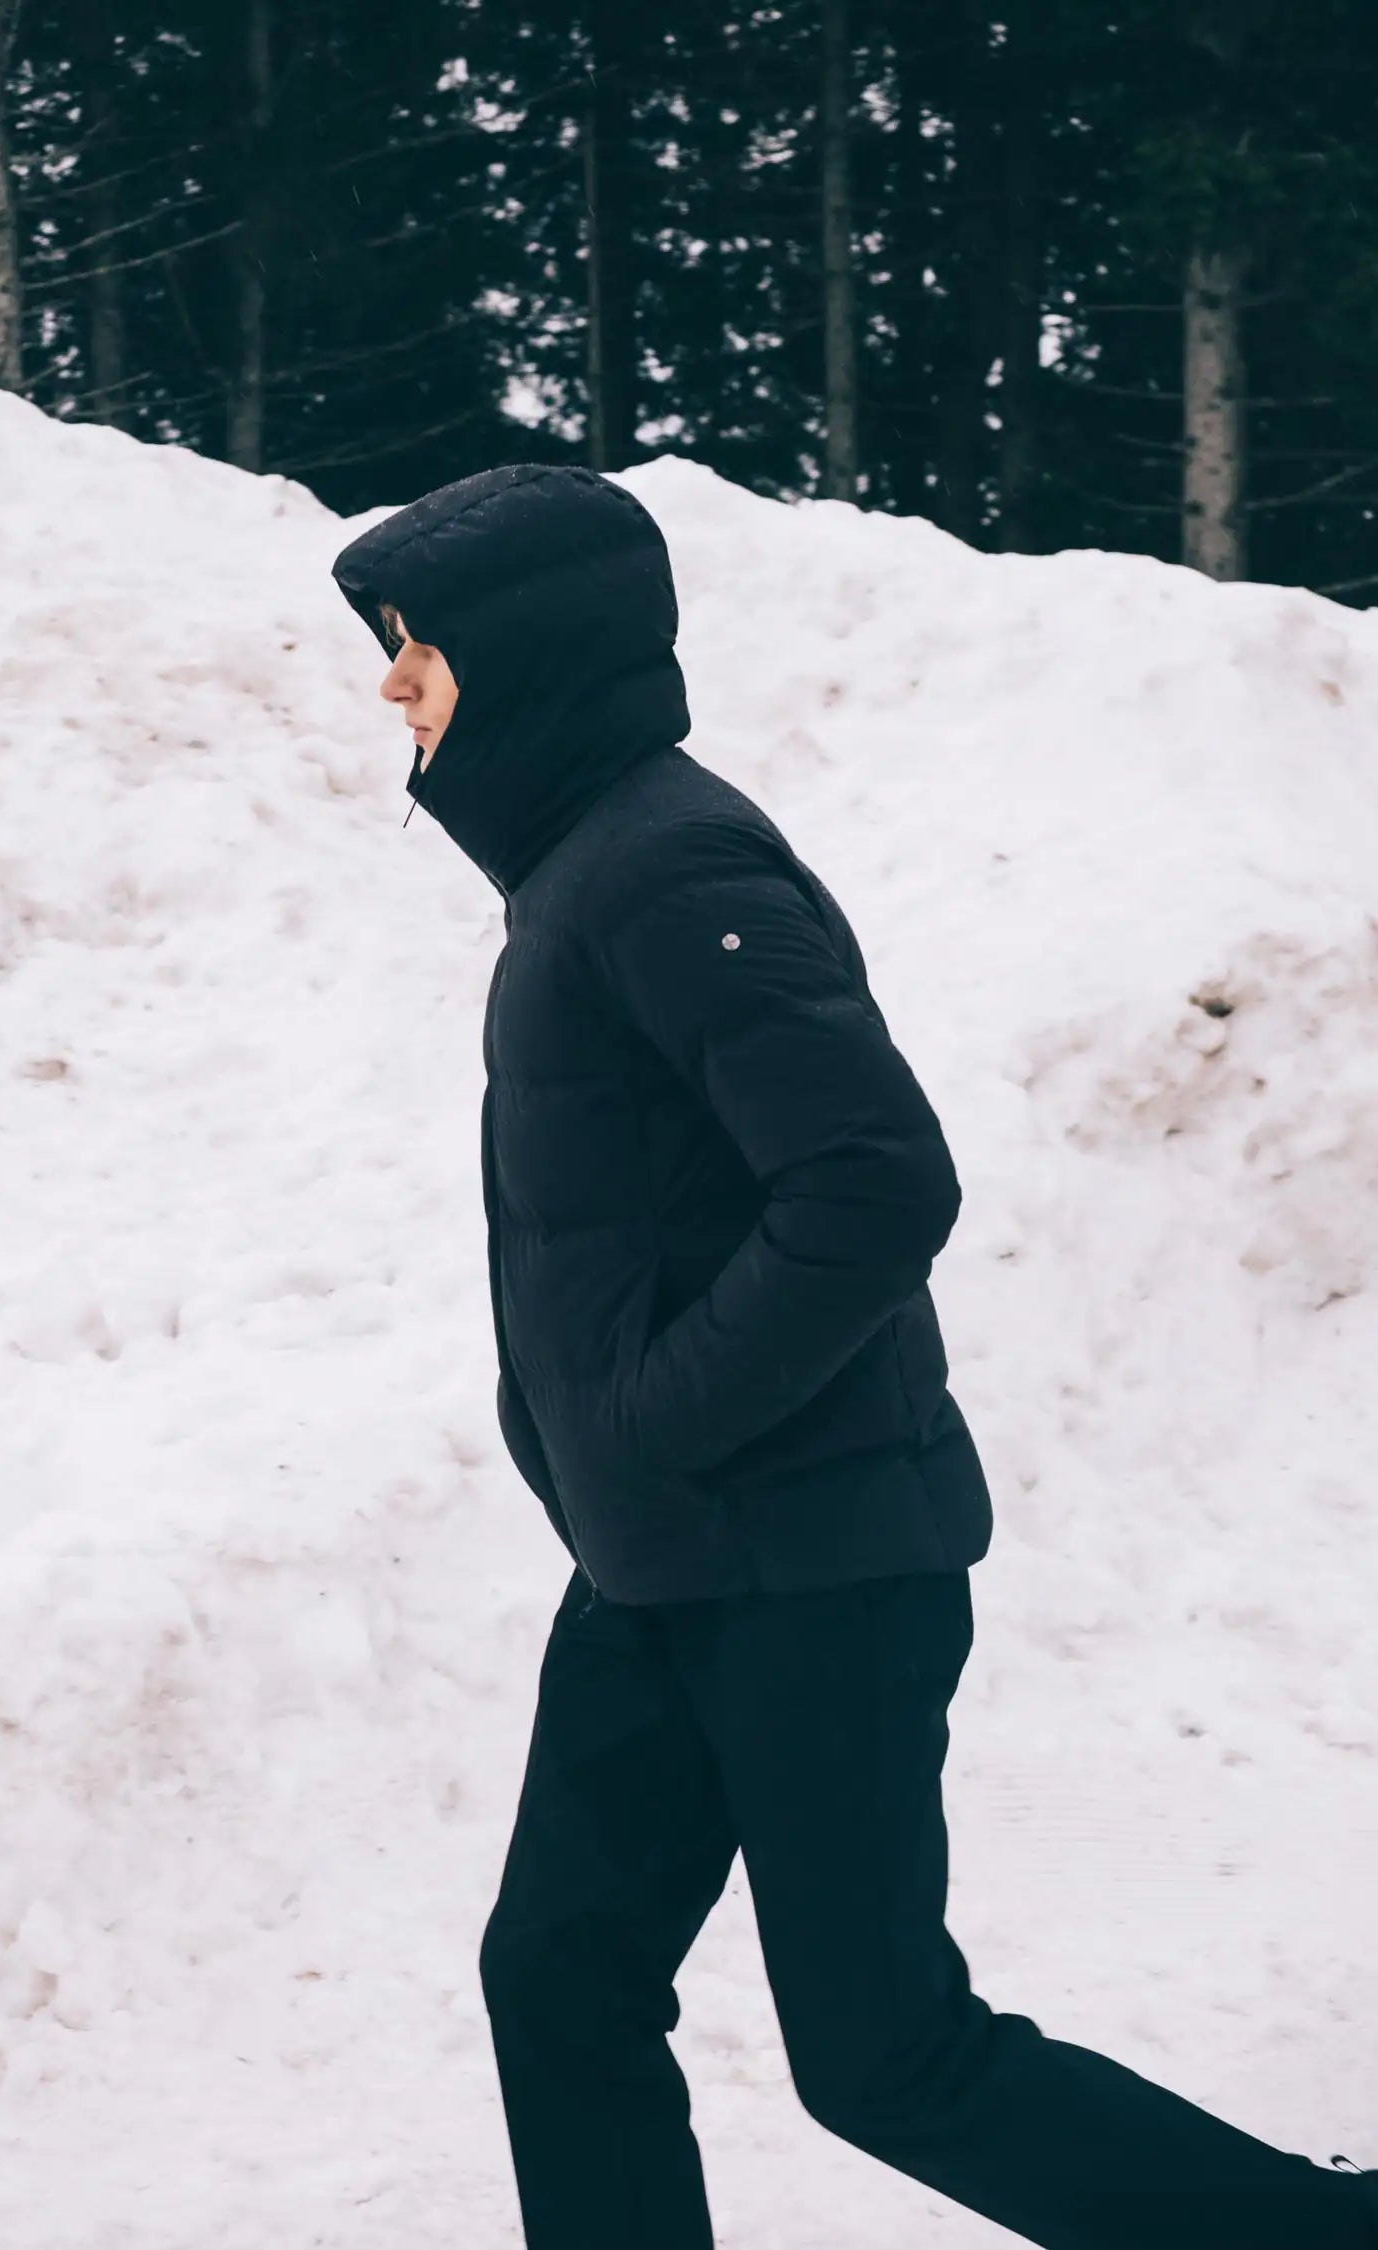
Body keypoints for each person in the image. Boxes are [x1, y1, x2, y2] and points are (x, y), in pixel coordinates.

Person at [331, 464, 1375, 2250]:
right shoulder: (587, 870)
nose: (387, 685)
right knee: (559, 1981)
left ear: (526, 660)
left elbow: (876, 1180)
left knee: (884, 2050)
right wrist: (612, 1466)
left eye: (414, 647)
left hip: (812, 1560)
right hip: (667, 1565)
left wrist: (655, 1424)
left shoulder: (668, 862)